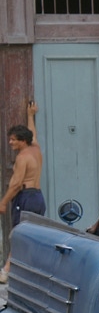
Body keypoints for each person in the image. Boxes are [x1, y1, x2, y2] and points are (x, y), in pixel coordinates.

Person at [0, 100, 45, 282]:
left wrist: (3, 202)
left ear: (22, 141)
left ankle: (6, 270)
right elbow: (33, 134)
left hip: (25, 197)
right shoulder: (35, 149)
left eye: (13, 140)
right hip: (38, 198)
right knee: (32, 234)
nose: (10, 142)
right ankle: (29, 270)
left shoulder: (22, 157)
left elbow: (16, 184)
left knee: (19, 234)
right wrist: (30, 116)